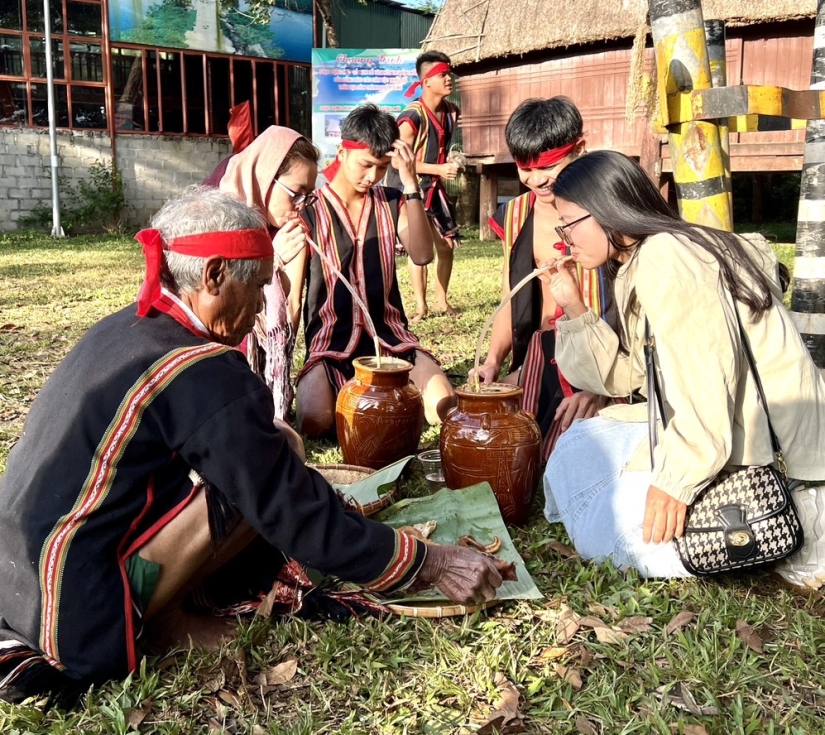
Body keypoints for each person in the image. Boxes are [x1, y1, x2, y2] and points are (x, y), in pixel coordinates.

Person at [0, 187, 514, 705]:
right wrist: (429, 562)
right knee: (269, 469)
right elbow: (291, 509)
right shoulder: (201, 369)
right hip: (78, 612)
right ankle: (162, 623)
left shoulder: (127, 327)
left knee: (276, 443)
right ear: (214, 275)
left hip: (18, 578)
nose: (264, 305)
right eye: (260, 285)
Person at [542, 149, 825, 585]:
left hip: (754, 452)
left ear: (606, 208)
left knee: (607, 536)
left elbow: (705, 382)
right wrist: (575, 307)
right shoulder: (645, 258)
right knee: (579, 446)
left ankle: (770, 533)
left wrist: (675, 483)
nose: (564, 239)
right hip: (719, 431)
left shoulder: (666, 257)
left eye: (569, 223)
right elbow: (633, 376)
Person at [285, 104, 457, 438]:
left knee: (443, 405)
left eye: (382, 168)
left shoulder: (392, 201)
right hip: (330, 346)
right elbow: (292, 302)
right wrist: (282, 370)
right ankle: (360, 394)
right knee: (315, 422)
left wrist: (410, 183)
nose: (372, 177)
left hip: (391, 341)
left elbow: (422, 255)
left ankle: (380, 397)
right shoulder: (309, 211)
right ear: (342, 152)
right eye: (365, 165)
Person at [470, 97, 608, 461]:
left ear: (579, 148)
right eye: (525, 168)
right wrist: (492, 360)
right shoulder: (516, 214)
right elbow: (510, 296)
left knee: (566, 455)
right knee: (483, 425)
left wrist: (602, 384)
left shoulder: (610, 209)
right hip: (541, 354)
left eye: (549, 166)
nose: (537, 179)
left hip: (603, 358)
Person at [204, 126, 319, 420]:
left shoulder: (281, 224)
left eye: (308, 196)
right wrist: (270, 258)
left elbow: (290, 304)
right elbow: (213, 299)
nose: (300, 206)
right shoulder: (217, 211)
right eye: (296, 193)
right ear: (266, 176)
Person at [385, 50, 462, 321]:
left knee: (446, 246)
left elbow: (444, 147)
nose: (449, 79)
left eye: (449, 74)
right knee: (419, 247)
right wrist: (438, 169)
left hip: (433, 186)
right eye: (442, 75)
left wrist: (451, 160)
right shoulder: (411, 117)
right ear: (426, 82)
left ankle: (442, 300)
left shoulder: (451, 112)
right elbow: (397, 161)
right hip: (407, 187)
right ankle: (421, 306)